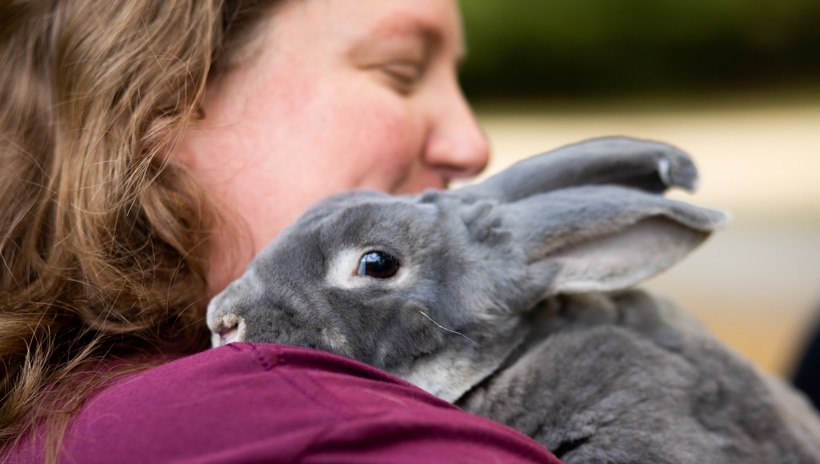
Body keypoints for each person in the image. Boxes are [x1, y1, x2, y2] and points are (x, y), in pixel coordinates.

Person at [0, 0, 562, 462]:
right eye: (402, 70)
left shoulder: (50, 410)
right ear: (164, 98)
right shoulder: (333, 428)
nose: (471, 146)